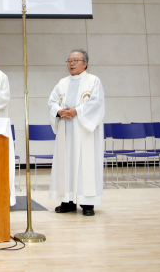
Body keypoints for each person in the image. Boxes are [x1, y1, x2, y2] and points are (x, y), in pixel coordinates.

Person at [47, 49, 105, 216]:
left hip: (84, 130)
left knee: (85, 164)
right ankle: (68, 201)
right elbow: (52, 101)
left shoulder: (94, 81)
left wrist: (77, 111)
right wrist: (59, 111)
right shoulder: (62, 83)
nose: (71, 63)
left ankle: (88, 204)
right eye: (69, 60)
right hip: (66, 130)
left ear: (85, 63)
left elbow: (97, 103)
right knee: (67, 163)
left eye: (75, 60)